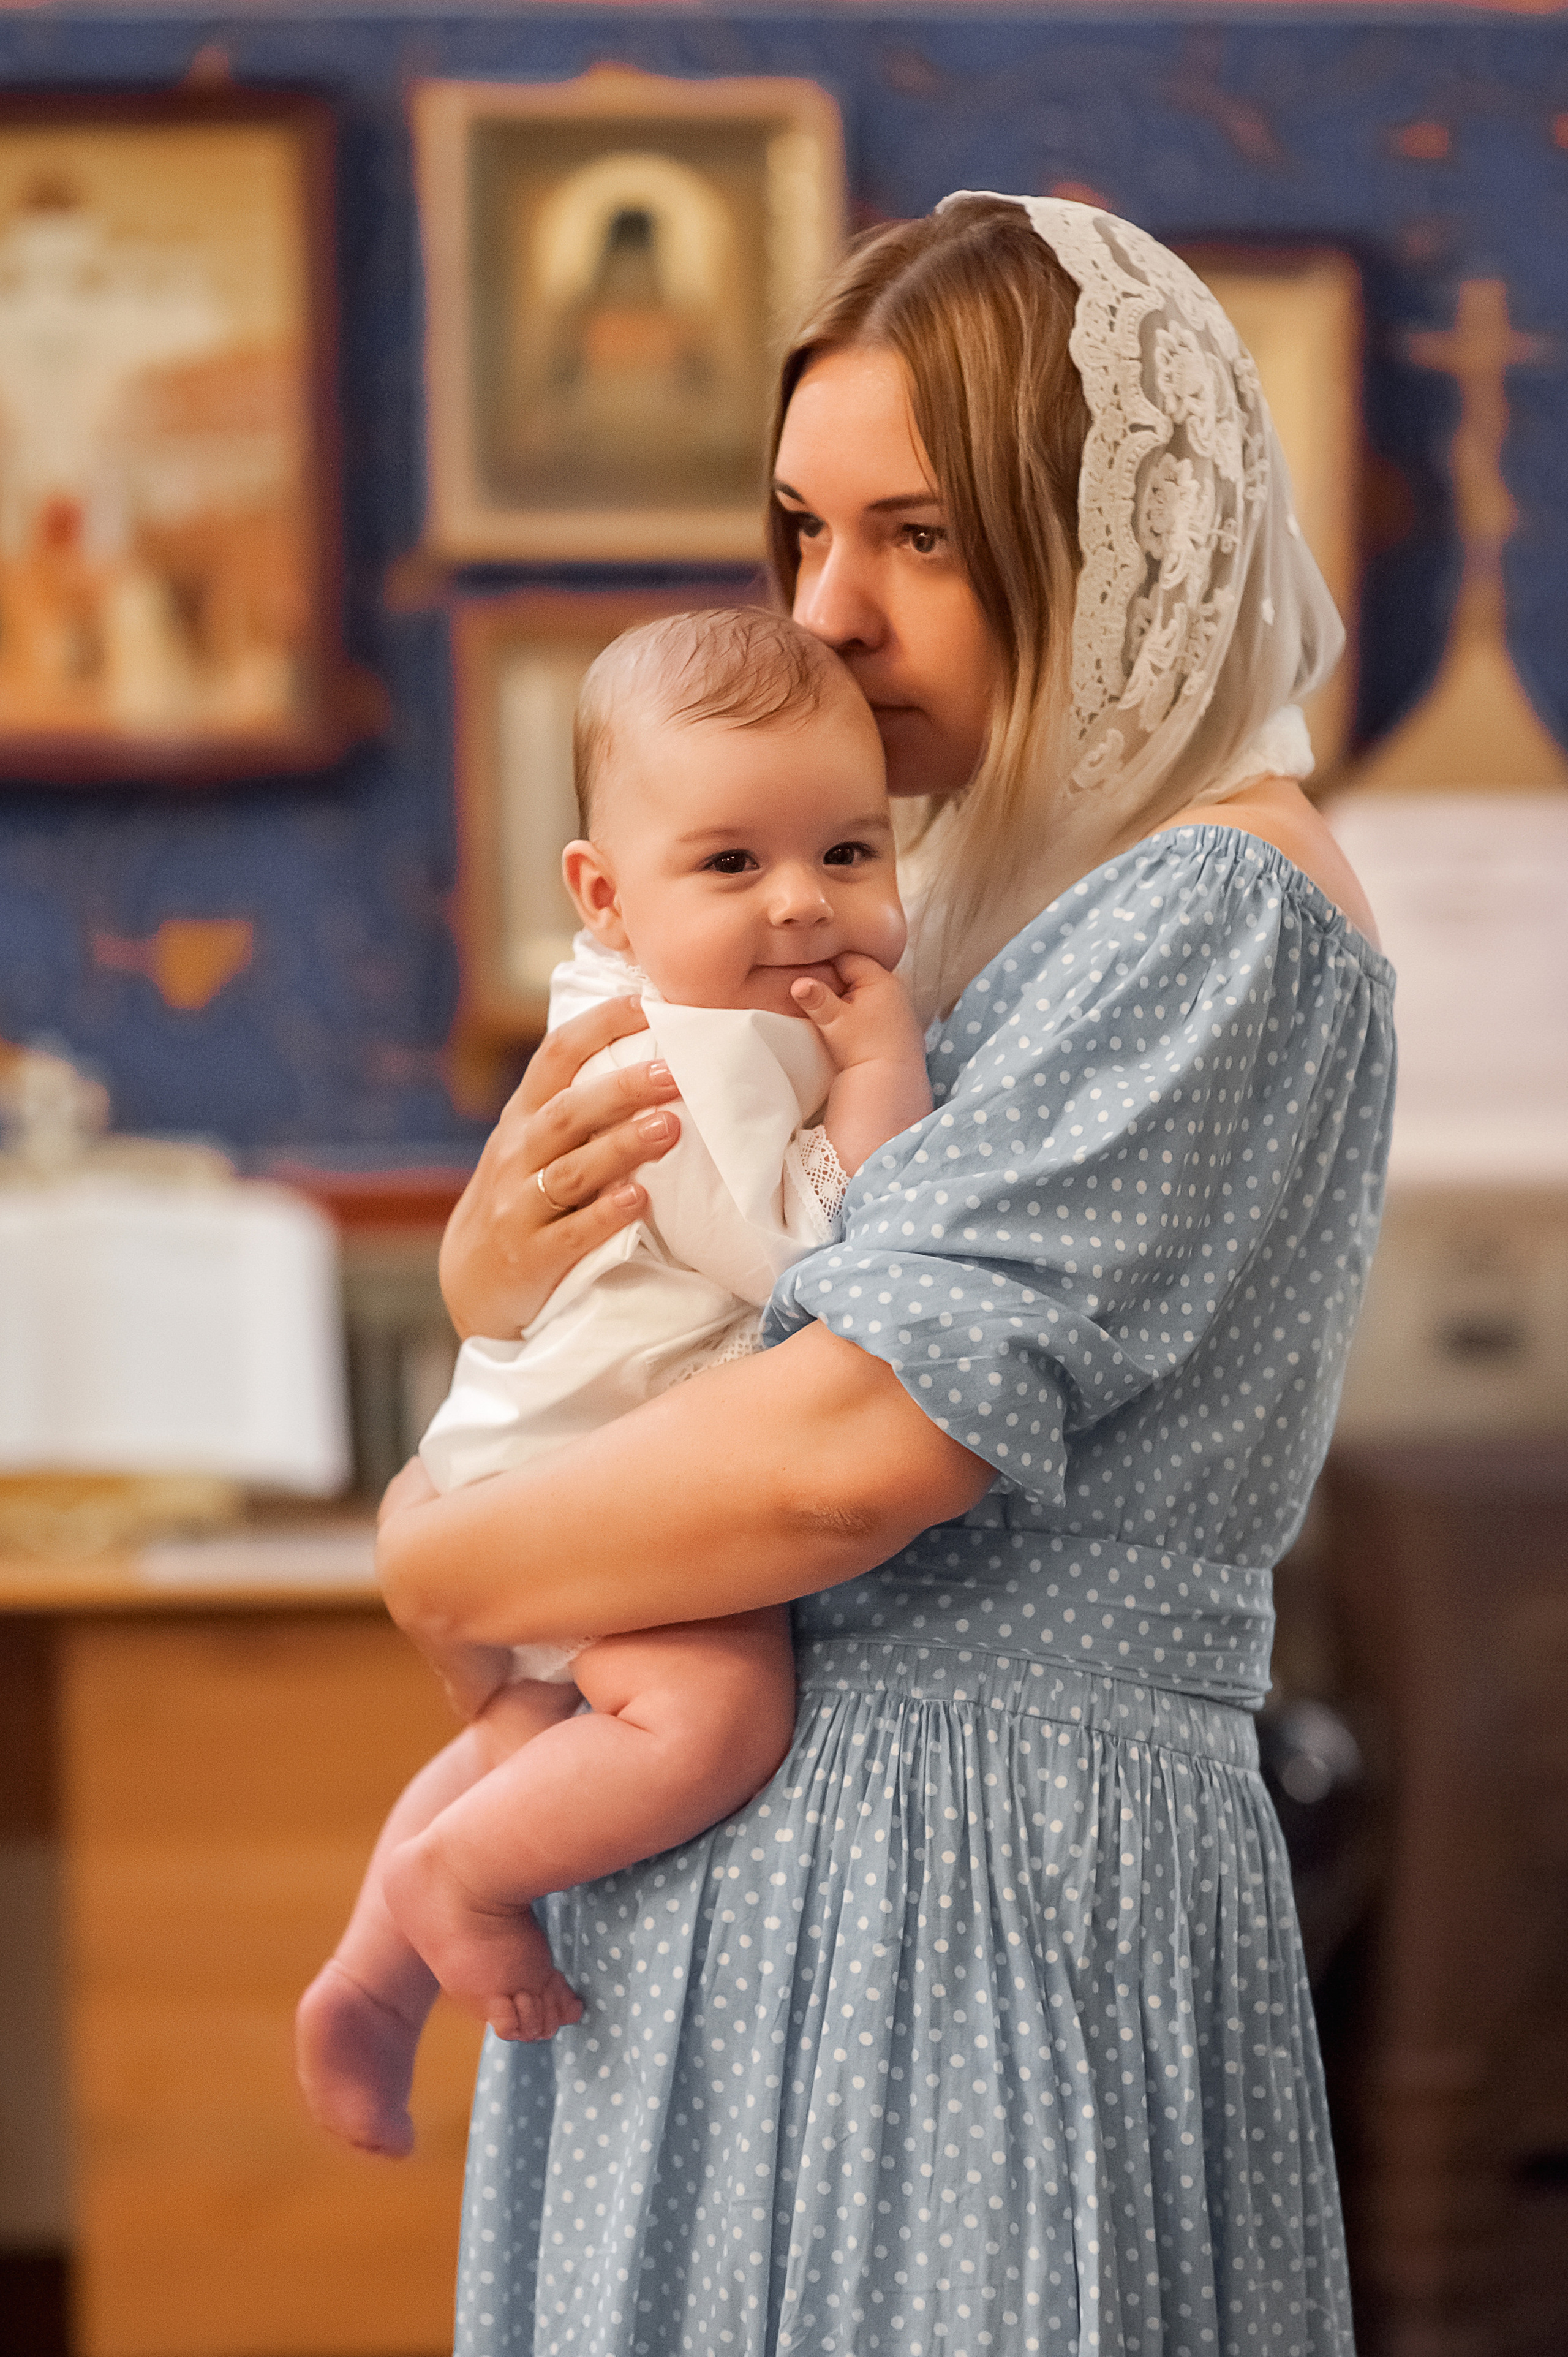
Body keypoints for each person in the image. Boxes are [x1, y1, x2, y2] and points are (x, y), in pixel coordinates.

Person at [378, 194, 1393, 2356]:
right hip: (792, 1891)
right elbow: (686, 1320)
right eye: (801, 531)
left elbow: (850, 1444)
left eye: (917, 536)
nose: (829, 615)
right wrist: (491, 1276)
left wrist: (434, 1553)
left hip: (979, 1901)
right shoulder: (953, 911)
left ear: (1114, 536)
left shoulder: (1217, 910)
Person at [297, 608, 934, 2158]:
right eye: (730, 866)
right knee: (713, 1711)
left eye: (848, 854)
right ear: (605, 892)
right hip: (577, 1464)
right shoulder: (674, 1052)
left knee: (534, 1727)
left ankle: (373, 1971)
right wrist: (881, 1079)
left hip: (554, 1449)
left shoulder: (700, 1003)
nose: (801, 906)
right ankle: (462, 1884)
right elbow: (810, 1261)